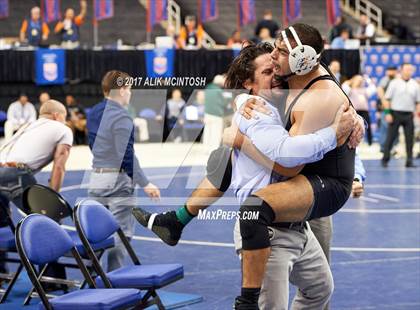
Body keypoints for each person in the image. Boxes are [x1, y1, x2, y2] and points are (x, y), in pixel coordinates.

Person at [86, 70, 161, 272]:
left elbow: (91, 143)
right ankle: (113, 280)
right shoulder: (121, 116)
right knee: (120, 233)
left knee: (96, 232)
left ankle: (92, 276)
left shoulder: (93, 112)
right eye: (129, 89)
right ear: (122, 90)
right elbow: (126, 155)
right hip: (118, 179)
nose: (130, 93)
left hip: (96, 177)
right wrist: (146, 183)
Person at [0, 100, 73, 287]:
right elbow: (59, 165)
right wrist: (53, 198)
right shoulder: (61, 128)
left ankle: (1, 275)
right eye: (64, 117)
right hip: (16, 174)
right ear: (57, 115)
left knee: (1, 226)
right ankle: (51, 280)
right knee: (48, 221)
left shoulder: (27, 125)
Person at [382, 63, 420, 168]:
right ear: (402, 70)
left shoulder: (415, 84)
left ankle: (409, 161)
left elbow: (418, 101)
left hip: (409, 114)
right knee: (391, 137)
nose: (409, 71)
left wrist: (418, 114)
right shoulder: (394, 83)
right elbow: (387, 99)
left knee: (409, 139)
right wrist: (388, 113)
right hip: (395, 113)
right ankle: (385, 159)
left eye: (410, 70)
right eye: (407, 69)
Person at [203, 75, 228, 152]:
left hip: (207, 114)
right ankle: (214, 150)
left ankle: (205, 149)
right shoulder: (219, 91)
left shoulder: (207, 88)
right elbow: (224, 103)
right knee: (216, 133)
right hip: (217, 115)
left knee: (207, 132)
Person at [346, 75, 373, 145]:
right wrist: (350, 82)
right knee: (352, 127)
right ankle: (351, 142)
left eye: (361, 80)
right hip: (355, 111)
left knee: (368, 126)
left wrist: (368, 80)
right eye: (358, 80)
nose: (360, 81)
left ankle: (370, 143)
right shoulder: (350, 90)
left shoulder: (364, 90)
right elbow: (344, 87)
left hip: (364, 111)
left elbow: (373, 89)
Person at [377, 67, 398, 153]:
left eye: (392, 71)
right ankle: (383, 147)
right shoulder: (384, 80)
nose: (391, 73)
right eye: (389, 71)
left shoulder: (398, 81)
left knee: (394, 129)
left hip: (396, 108)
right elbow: (381, 94)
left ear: (395, 72)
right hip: (386, 108)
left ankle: (392, 147)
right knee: (385, 128)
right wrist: (383, 107)